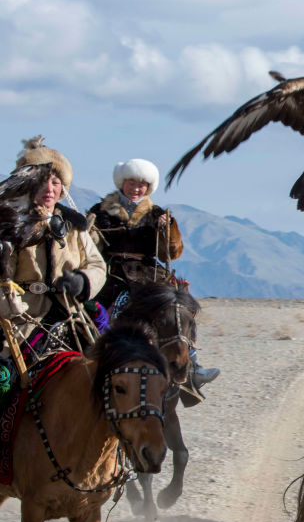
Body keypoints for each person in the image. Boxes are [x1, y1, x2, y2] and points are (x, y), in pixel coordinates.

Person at [89, 158, 220, 391]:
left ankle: (192, 368)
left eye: (142, 184)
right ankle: (91, 358)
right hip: (112, 272)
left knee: (180, 309)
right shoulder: (100, 212)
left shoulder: (158, 214)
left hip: (147, 274)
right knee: (97, 310)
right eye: (132, 183)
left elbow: (172, 252)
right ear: (122, 183)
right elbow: (89, 245)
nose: (136, 188)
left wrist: (167, 229)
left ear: (148, 187)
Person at [0, 137, 107, 365]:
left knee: (109, 368)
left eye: (56, 183)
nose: (49, 189)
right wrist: (9, 302)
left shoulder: (74, 225)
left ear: (63, 189)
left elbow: (97, 265)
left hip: (71, 313)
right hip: (24, 317)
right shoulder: (11, 225)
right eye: (42, 182)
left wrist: (83, 282)